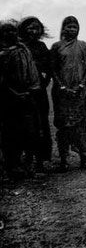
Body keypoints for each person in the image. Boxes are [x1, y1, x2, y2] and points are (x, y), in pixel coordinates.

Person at [50, 16, 86, 171]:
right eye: (68, 26)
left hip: (80, 94)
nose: (71, 29)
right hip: (62, 94)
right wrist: (62, 87)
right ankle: (64, 160)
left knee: (82, 126)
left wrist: (81, 85)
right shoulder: (56, 47)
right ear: (63, 29)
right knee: (64, 127)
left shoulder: (83, 46)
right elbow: (53, 69)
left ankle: (85, 159)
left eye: (74, 27)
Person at [0, 20, 43, 179]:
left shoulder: (23, 49)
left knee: (29, 131)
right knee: (9, 133)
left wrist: (31, 91)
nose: (9, 33)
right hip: (7, 98)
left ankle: (28, 164)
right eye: (5, 31)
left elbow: (33, 73)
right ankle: (10, 166)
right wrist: (15, 93)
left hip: (28, 96)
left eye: (12, 30)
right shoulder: (3, 52)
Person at [18, 16, 53, 171]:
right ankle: (25, 157)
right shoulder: (18, 46)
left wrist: (42, 83)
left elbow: (49, 67)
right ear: (23, 29)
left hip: (38, 91)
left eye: (37, 28)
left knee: (41, 123)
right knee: (24, 124)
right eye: (30, 27)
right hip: (21, 93)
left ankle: (42, 158)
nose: (34, 31)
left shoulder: (41, 46)